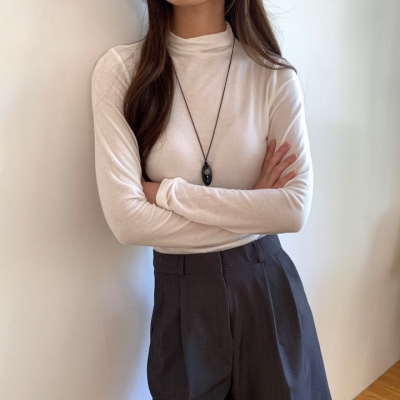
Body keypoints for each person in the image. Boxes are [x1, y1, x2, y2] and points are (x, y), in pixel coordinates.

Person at [91, 0, 332, 398]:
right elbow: (128, 222)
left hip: (266, 292)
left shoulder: (272, 75)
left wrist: (167, 193)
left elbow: (292, 210)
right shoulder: (122, 71)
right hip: (181, 300)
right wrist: (254, 205)